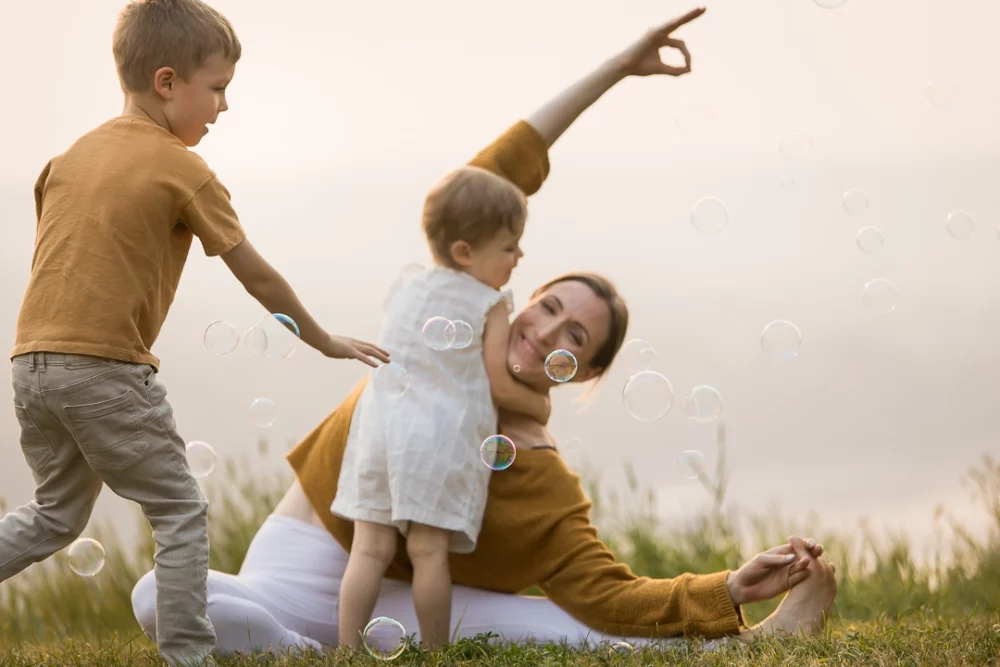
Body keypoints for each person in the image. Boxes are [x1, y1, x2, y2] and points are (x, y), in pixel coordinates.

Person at [133, 7, 838, 655]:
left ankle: (748, 641)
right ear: (507, 292)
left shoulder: (538, 475)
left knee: (577, 625)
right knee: (154, 593)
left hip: (410, 604)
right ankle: (300, 646)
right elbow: (486, 182)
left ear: (582, 374)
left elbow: (610, 592)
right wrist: (619, 68)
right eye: (549, 305)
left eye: (577, 339)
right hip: (301, 559)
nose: (548, 330)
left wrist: (732, 585)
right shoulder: (447, 324)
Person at [2, 1, 388, 666]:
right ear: (167, 82)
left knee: (56, 515)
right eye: (218, 89)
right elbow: (256, 274)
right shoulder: (183, 168)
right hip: (105, 371)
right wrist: (323, 338)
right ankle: (189, 655)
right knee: (180, 512)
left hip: (31, 365)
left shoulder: (64, 160)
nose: (224, 107)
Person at [332, 148, 555, 649]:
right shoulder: (490, 300)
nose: (518, 257)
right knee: (429, 550)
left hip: (380, 431)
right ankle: (437, 653)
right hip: (439, 438)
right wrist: (539, 405)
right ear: (463, 253)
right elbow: (500, 382)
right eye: (509, 247)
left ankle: (346, 651)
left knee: (368, 549)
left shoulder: (410, 283)